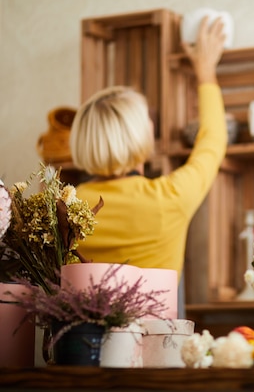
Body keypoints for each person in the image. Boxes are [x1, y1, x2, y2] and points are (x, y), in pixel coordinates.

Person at [69, 16, 227, 281]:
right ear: (142, 136)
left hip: (75, 323)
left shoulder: (63, 207)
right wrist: (205, 71)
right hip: (154, 324)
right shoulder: (169, 197)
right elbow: (213, 140)